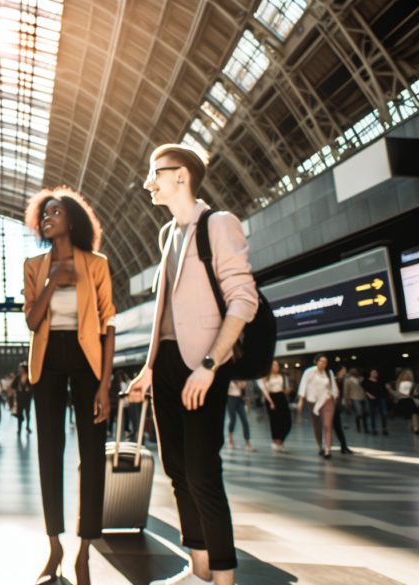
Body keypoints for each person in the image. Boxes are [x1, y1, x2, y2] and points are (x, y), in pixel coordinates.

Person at [128, 144, 258, 585]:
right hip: (165, 363)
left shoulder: (218, 224)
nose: (149, 183)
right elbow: (164, 311)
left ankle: (223, 576)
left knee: (203, 470)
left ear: (181, 175)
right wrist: (148, 368)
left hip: (201, 364)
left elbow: (243, 299)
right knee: (177, 469)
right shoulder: (169, 235)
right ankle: (199, 568)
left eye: (155, 174)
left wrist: (209, 364)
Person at [22, 187, 116, 585]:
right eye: (43, 213)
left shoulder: (96, 264)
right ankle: (54, 545)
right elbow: (31, 320)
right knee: (50, 452)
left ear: (72, 219)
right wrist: (53, 280)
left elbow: (108, 323)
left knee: (92, 456)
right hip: (47, 361)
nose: (47, 217)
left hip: (87, 361)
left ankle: (84, 551)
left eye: (55, 211)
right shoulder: (34, 265)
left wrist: (105, 383)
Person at [296, 355, 339, 459]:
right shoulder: (309, 372)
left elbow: (334, 388)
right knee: (317, 426)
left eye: (325, 362)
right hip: (313, 403)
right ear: (316, 362)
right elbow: (303, 385)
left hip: (327, 400)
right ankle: (320, 446)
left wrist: (336, 399)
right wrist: (301, 400)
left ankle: (328, 449)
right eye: (321, 361)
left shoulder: (329, 373)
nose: (323, 364)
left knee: (327, 425)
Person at [258, 361, 291, 452]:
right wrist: (271, 402)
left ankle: (280, 440)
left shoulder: (282, 377)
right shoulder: (266, 377)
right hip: (272, 398)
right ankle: (277, 442)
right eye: (273, 365)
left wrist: (288, 391)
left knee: (287, 420)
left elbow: (285, 388)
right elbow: (265, 390)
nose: (276, 367)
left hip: (281, 397)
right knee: (275, 421)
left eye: (277, 365)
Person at [225, 381, 254, 451]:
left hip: (239, 399)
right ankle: (230, 440)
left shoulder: (241, 378)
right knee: (233, 420)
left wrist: (243, 385)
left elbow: (244, 391)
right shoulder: (230, 378)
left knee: (245, 420)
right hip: (230, 398)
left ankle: (247, 443)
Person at [332, 366, 353, 454]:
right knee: (331, 427)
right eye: (344, 370)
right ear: (340, 371)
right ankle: (325, 448)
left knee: (338, 427)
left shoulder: (343, 381)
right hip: (331, 406)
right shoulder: (334, 380)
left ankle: (343, 446)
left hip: (337, 407)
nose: (346, 371)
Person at [362, 369, 388, 435]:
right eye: (373, 373)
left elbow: (384, 388)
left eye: (376, 373)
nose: (374, 374)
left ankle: (384, 428)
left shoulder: (380, 381)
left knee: (384, 413)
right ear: (370, 373)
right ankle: (373, 428)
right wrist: (369, 395)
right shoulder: (366, 381)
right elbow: (364, 389)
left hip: (380, 397)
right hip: (371, 398)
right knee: (373, 413)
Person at [344, 368, 368, 433]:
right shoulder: (348, 379)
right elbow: (347, 390)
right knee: (359, 413)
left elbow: (365, 387)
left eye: (356, 371)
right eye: (353, 372)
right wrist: (348, 400)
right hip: (354, 397)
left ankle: (365, 428)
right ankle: (357, 425)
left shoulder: (361, 378)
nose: (355, 373)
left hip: (362, 397)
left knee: (365, 413)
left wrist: (363, 381)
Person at [12, 363, 33, 435]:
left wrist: (28, 388)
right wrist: (18, 389)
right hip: (20, 397)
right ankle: (19, 428)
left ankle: (27, 426)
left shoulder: (29, 376)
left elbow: (33, 386)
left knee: (27, 413)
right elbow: (13, 385)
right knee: (19, 413)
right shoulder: (18, 377)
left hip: (27, 397)